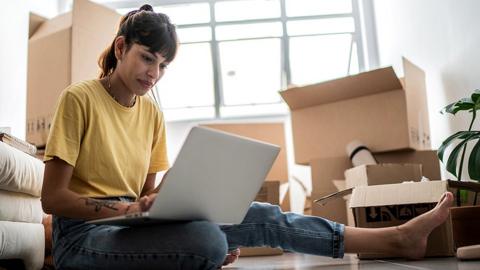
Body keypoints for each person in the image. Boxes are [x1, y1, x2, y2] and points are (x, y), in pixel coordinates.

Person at [41, 5, 454, 270]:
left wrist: (159, 204)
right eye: (147, 57)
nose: (154, 73)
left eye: (164, 65)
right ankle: (197, 250)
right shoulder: (79, 99)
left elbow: (146, 196)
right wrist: (130, 211)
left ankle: (395, 239)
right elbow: (53, 199)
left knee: (260, 215)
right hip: (80, 238)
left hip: (127, 227)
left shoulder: (151, 113)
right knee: (206, 241)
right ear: (120, 47)